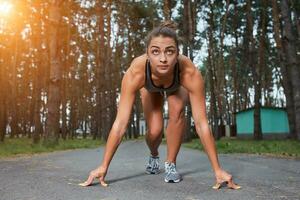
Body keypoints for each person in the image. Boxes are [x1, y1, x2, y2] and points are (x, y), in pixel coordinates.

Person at [79, 21, 240, 189]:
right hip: (150, 87)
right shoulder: (136, 72)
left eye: (170, 52)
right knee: (155, 131)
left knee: (177, 111)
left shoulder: (189, 72)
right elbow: (120, 124)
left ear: (177, 54)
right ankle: (154, 155)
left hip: (176, 85)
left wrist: (217, 169)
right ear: (147, 54)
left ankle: (170, 163)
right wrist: (103, 166)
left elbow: (201, 123)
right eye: (155, 52)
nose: (163, 59)